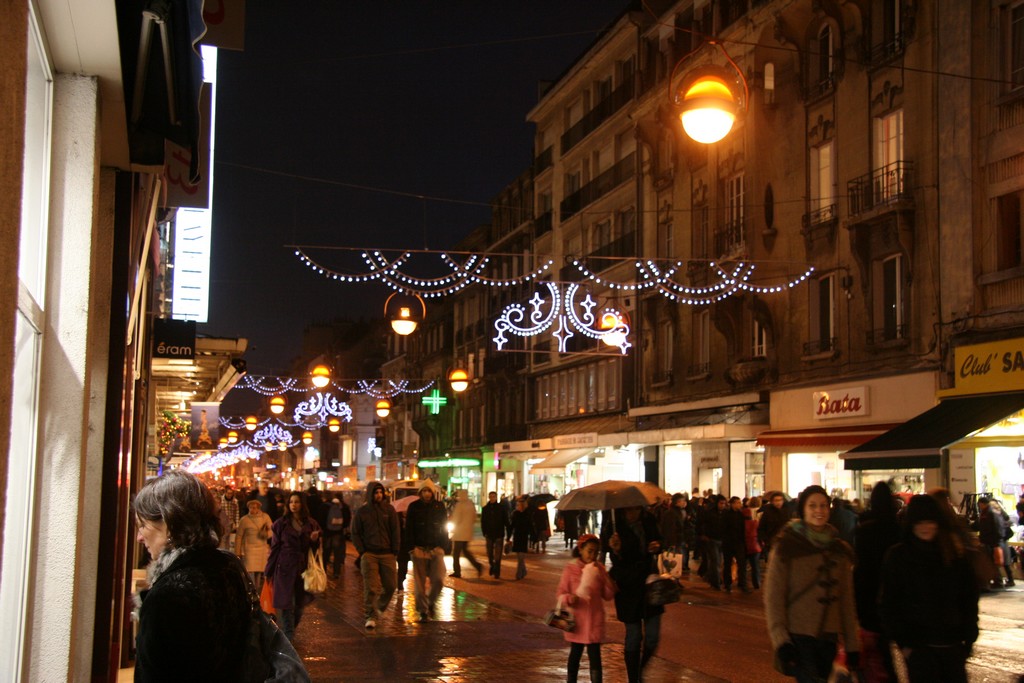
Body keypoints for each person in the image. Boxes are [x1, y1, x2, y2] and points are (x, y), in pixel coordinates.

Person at [132, 470, 250, 681]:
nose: (139, 537)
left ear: (169, 524)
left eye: (143, 525)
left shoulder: (168, 595)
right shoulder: (227, 569)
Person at [764, 485, 860, 683]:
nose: (819, 511)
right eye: (813, 505)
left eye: (823, 506)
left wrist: (852, 644)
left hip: (829, 637)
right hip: (799, 637)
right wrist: (781, 641)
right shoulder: (786, 546)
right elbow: (774, 597)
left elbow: (846, 600)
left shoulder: (839, 549)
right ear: (803, 510)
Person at [879, 495, 979, 682]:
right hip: (919, 648)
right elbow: (889, 602)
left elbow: (969, 597)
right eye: (919, 522)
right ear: (911, 524)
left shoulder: (953, 555)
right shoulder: (899, 557)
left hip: (952, 645)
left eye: (930, 522)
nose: (925, 527)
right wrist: (905, 644)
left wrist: (968, 637)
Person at [606, 505, 664, 683]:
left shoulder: (648, 520)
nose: (634, 513)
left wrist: (657, 546)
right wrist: (615, 549)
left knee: (653, 636)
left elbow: (660, 541)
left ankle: (640, 671)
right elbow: (611, 555)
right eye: (630, 510)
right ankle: (634, 679)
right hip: (627, 585)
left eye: (637, 509)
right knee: (634, 635)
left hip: (649, 584)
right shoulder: (614, 524)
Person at [853, 482, 902, 683]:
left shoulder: (864, 529)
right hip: (894, 597)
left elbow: (860, 569)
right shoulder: (898, 528)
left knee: (878, 653)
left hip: (871, 596)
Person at [555, 533, 616, 683]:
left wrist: (607, 580)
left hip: (595, 619)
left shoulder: (599, 569)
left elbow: (608, 595)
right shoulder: (571, 569)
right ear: (581, 549)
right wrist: (569, 598)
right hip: (576, 620)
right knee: (575, 653)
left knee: (595, 655)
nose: (593, 555)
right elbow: (560, 593)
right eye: (590, 551)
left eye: (596, 552)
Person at [266, 491, 322, 641]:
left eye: (296, 502)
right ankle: (288, 636)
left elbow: (314, 550)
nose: (293, 505)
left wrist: (314, 540)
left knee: (299, 606)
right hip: (284, 566)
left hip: (302, 568)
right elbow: (275, 548)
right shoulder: (281, 524)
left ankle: (289, 630)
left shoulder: (311, 524)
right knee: (286, 604)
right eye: (291, 502)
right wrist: (268, 571)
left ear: (302, 504)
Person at [350, 481, 400, 629]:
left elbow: (395, 531)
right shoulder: (363, 511)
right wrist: (362, 551)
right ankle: (370, 616)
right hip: (369, 553)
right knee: (371, 587)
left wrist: (395, 550)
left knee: (391, 585)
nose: (379, 495)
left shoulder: (389, 510)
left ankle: (379, 606)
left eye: (380, 492)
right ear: (371, 494)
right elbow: (355, 532)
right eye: (376, 492)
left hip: (387, 553)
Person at [405, 482, 448, 620]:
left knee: (439, 579)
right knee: (419, 584)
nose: (427, 494)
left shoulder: (439, 506)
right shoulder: (414, 507)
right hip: (419, 548)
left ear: (433, 492)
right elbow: (409, 528)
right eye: (424, 491)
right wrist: (411, 548)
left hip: (436, 548)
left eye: (429, 491)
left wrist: (443, 545)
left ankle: (430, 601)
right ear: (420, 493)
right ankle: (423, 611)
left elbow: (444, 527)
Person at [236, 498, 272, 592]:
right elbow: (239, 536)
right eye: (251, 508)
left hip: (261, 548)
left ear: (259, 508)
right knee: (250, 571)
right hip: (250, 549)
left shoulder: (265, 517)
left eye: (255, 508)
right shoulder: (244, 520)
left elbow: (273, 530)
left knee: (259, 571)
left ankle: (257, 590)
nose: (253, 510)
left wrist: (266, 534)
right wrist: (238, 551)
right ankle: (252, 590)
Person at [449, 489, 484, 578]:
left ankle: (457, 571)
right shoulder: (471, 504)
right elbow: (474, 517)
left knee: (456, 553)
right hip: (467, 533)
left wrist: (453, 529)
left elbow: (456, 519)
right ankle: (477, 566)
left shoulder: (459, 505)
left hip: (459, 533)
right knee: (465, 551)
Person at [481, 491, 511, 579]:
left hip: (499, 534)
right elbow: (483, 522)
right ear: (489, 497)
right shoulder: (485, 509)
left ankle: (497, 571)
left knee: (498, 555)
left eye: (494, 496)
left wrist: (508, 533)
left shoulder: (501, 508)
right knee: (489, 553)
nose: (492, 498)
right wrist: (484, 532)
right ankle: (492, 565)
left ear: (496, 497)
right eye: (491, 496)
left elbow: (506, 521)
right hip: (489, 534)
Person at [722, 496, 747, 593]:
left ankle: (742, 584)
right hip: (728, 543)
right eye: (736, 502)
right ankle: (727, 584)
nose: (739, 504)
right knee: (728, 564)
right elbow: (724, 528)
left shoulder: (741, 515)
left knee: (742, 564)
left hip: (739, 542)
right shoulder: (726, 514)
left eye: (739, 502)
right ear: (732, 504)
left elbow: (743, 529)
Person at [758, 491, 791, 562]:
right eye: (776, 500)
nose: (778, 502)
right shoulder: (767, 512)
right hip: (771, 541)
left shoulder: (787, 511)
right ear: (772, 502)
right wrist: (765, 540)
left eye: (780, 500)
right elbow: (762, 527)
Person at [324, 495, 351, 579]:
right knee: (337, 553)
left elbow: (321, 518)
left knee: (326, 552)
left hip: (327, 533)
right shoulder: (344, 507)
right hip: (338, 533)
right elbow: (347, 519)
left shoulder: (325, 506)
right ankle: (336, 572)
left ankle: (323, 570)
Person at [510, 496, 533, 580]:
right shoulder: (515, 514)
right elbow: (512, 526)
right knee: (519, 557)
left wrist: (533, 537)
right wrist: (508, 537)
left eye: (518, 505)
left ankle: (518, 574)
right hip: (517, 537)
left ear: (522, 505)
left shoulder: (527, 514)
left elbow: (530, 526)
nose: (517, 506)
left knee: (521, 557)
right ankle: (524, 570)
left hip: (524, 537)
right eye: (517, 505)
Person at [743, 497, 762, 592]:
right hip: (755, 542)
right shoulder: (760, 513)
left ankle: (743, 583)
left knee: (744, 565)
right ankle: (756, 583)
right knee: (755, 565)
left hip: (745, 542)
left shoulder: (744, 512)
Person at [218, 487, 240, 551]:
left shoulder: (235, 501)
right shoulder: (221, 500)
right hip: (222, 522)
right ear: (225, 493)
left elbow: (237, 513)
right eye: (228, 493)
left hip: (231, 523)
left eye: (231, 493)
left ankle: (227, 550)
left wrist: (237, 524)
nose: (229, 495)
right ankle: (224, 550)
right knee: (223, 538)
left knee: (229, 539)